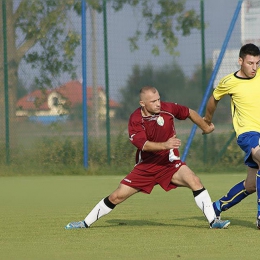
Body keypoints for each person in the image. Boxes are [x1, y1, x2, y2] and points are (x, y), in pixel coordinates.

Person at [65, 86, 230, 230]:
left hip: (169, 164)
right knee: (117, 196)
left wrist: (205, 127)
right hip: (146, 168)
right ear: (142, 103)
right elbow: (143, 145)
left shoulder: (167, 109)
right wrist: (165, 144)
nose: (158, 103)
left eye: (158, 99)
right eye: (153, 101)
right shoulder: (136, 120)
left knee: (194, 181)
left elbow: (189, 113)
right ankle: (84, 223)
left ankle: (213, 221)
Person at [203, 43, 260, 229]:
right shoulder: (229, 82)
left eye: (257, 63)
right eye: (250, 63)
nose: (254, 68)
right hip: (248, 134)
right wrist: (207, 121)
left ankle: (216, 207)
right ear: (240, 61)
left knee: (251, 185)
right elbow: (214, 99)